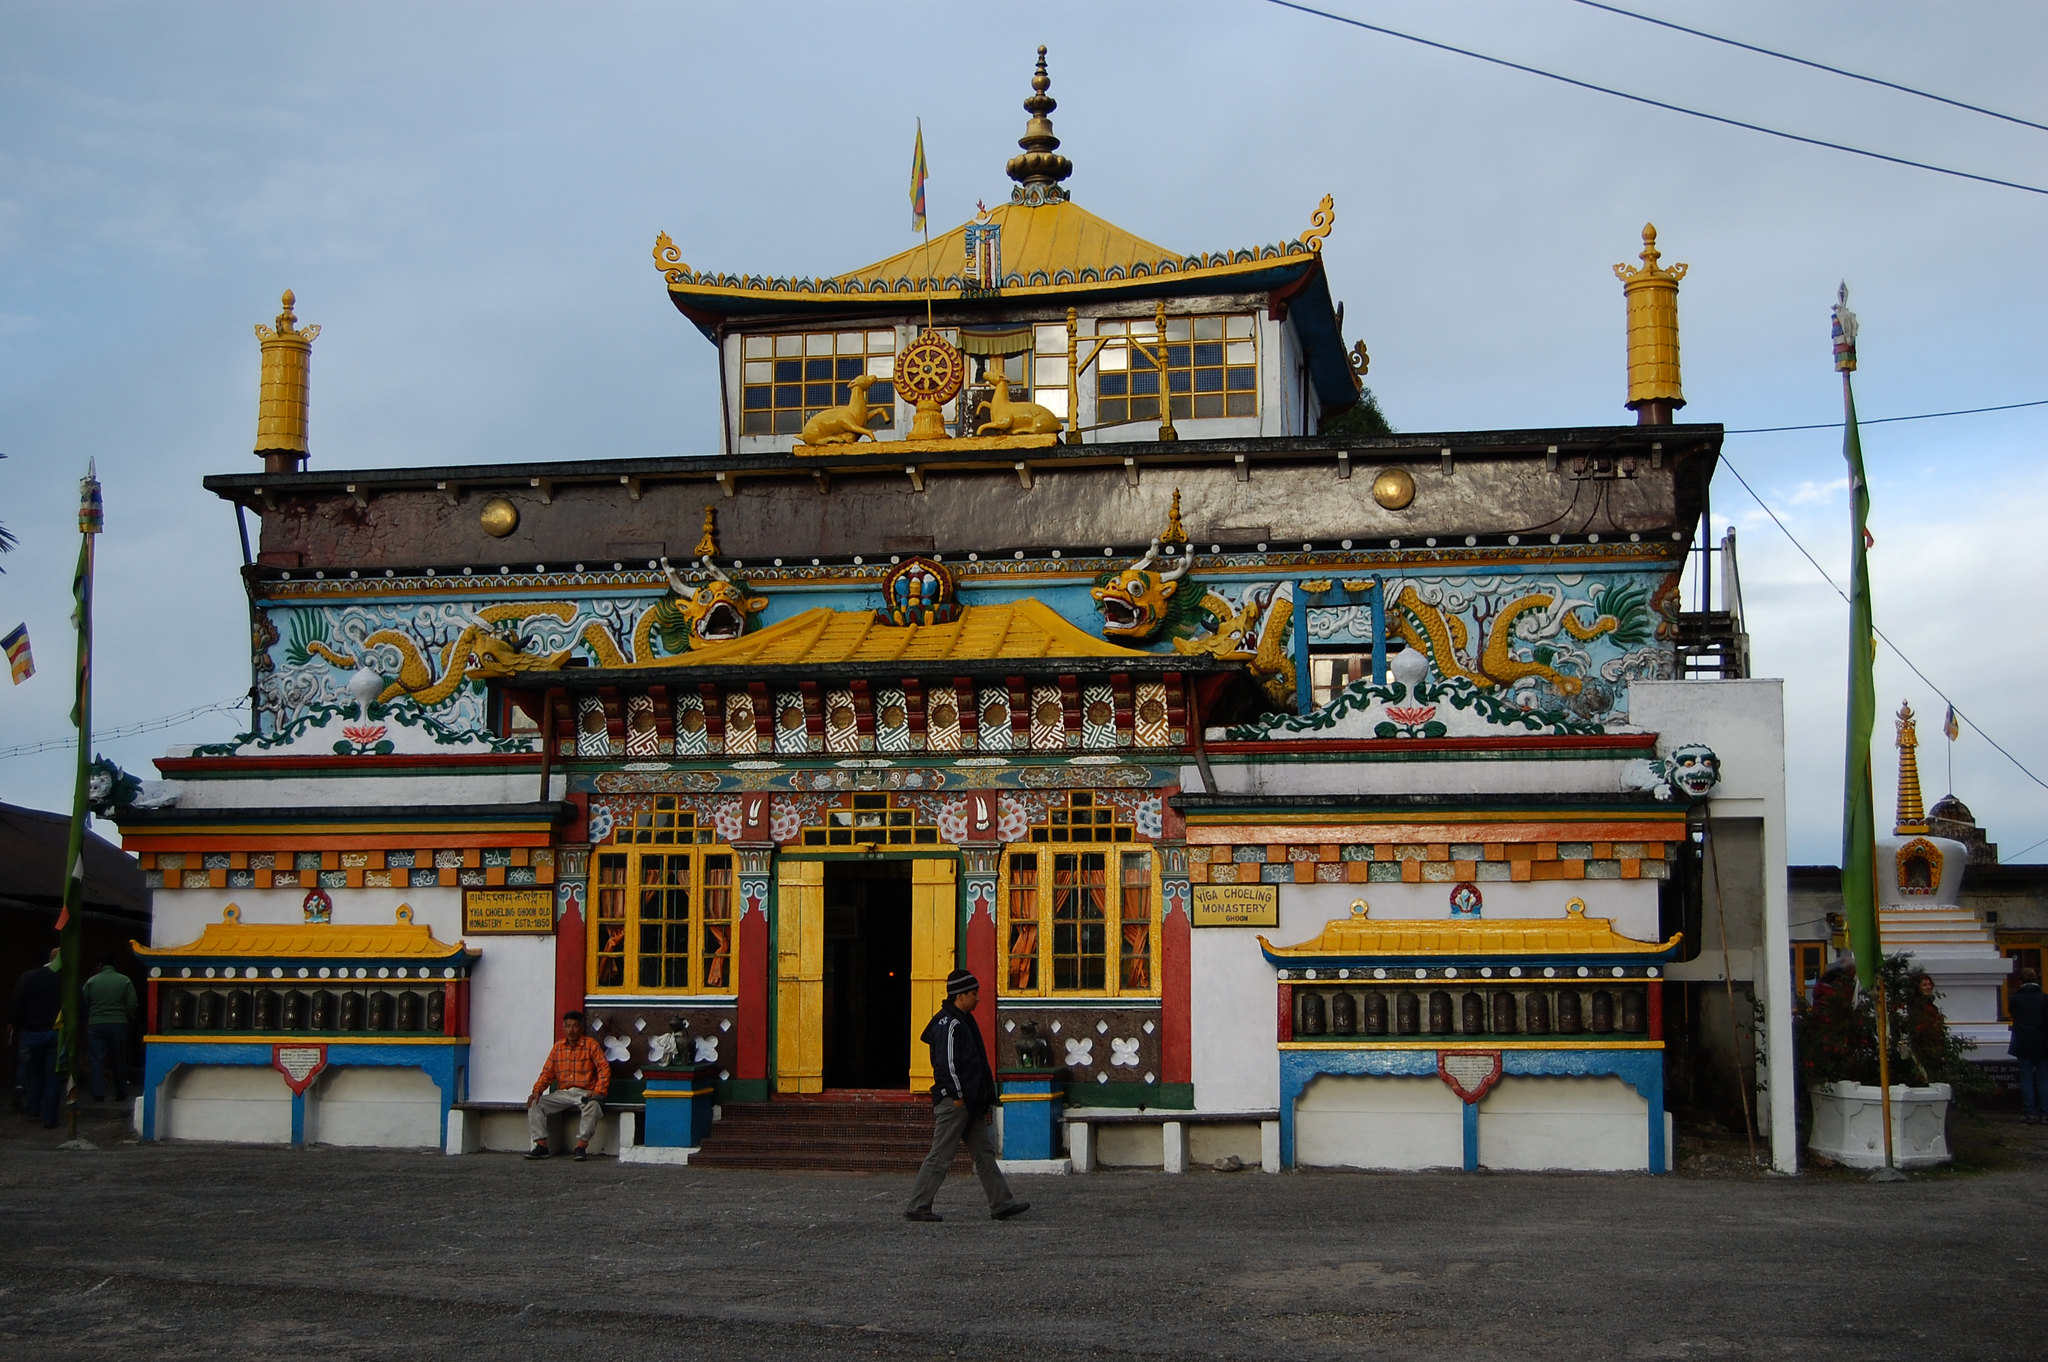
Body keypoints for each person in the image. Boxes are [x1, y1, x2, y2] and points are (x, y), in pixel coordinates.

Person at [904, 969, 1028, 1223]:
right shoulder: (950, 1024)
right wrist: (958, 1095)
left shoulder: (960, 1020)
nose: (978, 999)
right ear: (960, 996)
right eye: (974, 994)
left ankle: (1002, 1203)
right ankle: (918, 1205)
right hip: (956, 1102)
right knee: (941, 1154)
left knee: (983, 1152)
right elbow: (947, 1064)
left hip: (968, 1102)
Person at [526, 1010, 610, 1161]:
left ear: (581, 1028)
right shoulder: (558, 1047)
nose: (571, 1030)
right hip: (563, 1093)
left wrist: (598, 1091)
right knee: (535, 1102)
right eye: (568, 1026)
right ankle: (541, 1145)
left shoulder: (590, 1045)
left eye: (575, 1026)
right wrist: (537, 1090)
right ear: (563, 1028)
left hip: (584, 1092)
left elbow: (604, 1068)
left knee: (594, 1107)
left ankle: (581, 1146)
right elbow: (547, 1073)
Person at [10, 948, 64, 1129]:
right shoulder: (65, 980)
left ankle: (33, 1109)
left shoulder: (30, 977)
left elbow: (19, 1004)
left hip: (32, 1031)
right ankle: (50, 1118)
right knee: (53, 1075)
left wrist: (18, 1026)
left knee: (35, 1071)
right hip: (56, 1031)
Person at [81, 959, 138, 1103]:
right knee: (119, 1058)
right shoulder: (125, 980)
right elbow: (132, 1004)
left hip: (96, 1023)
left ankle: (98, 1093)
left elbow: (83, 1001)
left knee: (96, 1059)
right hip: (118, 1023)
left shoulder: (91, 981)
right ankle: (121, 1092)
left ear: (100, 965)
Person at [2009, 968, 2047, 1125]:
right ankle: (2045, 1112)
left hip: (2023, 1042)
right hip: (2043, 1043)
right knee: (2043, 1079)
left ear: (2020, 981)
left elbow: (2013, 1014)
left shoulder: (2014, 999)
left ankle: (2030, 1112)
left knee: (2026, 1078)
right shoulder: (2044, 999)